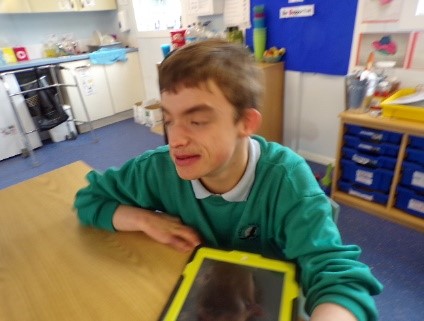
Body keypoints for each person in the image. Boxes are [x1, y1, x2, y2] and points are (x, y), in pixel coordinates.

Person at [74, 39, 383, 321]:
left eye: (196, 121)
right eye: (169, 119)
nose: (176, 139)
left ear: (245, 123)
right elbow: (89, 200)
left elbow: (337, 276)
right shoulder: (157, 169)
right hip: (202, 294)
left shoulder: (287, 180)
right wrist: (144, 220)